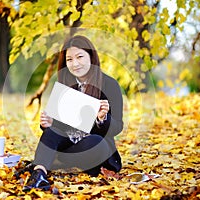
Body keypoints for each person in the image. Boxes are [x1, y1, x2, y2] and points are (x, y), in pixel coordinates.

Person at [22, 35, 124, 191]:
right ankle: (39, 175)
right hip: (67, 146)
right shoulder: (64, 85)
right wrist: (48, 124)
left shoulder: (109, 84)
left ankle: (53, 162)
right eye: (69, 60)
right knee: (51, 132)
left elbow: (118, 127)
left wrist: (102, 119)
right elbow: (58, 129)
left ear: (91, 56)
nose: (75, 64)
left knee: (96, 142)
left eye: (80, 57)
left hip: (94, 146)